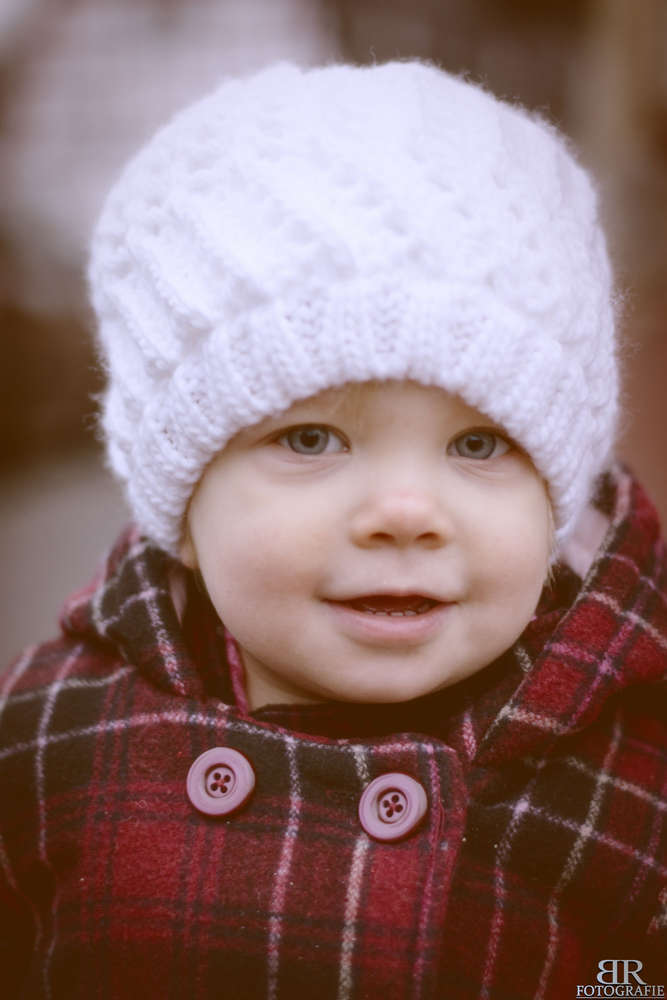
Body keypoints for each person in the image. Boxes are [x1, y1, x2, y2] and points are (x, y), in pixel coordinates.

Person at [0, 60, 665, 1000]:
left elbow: (629, 978)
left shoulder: (630, 775)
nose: (405, 514)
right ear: (180, 503)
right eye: (310, 439)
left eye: (478, 444)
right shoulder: (44, 748)